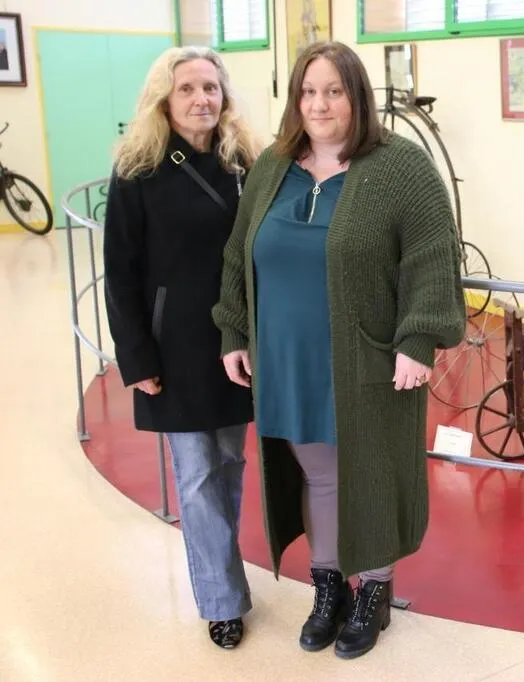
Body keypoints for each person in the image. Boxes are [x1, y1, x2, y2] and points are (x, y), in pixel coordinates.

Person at [212, 41, 465, 660]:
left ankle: (374, 588)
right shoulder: (273, 166)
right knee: (318, 473)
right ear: (294, 98)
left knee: (369, 471)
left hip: (367, 356)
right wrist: (234, 330)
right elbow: (238, 253)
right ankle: (329, 586)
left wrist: (418, 338)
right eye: (308, 91)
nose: (319, 104)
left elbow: (433, 257)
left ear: (357, 96)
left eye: (334, 91)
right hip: (288, 357)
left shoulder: (400, 167)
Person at [102, 45, 262, 649]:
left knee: (229, 465)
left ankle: (221, 572)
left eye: (210, 88)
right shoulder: (138, 169)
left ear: (224, 96)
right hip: (171, 347)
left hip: (235, 340)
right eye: (187, 89)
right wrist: (136, 357)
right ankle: (222, 600)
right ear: (163, 100)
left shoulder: (244, 161)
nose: (201, 99)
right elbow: (120, 272)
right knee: (196, 475)